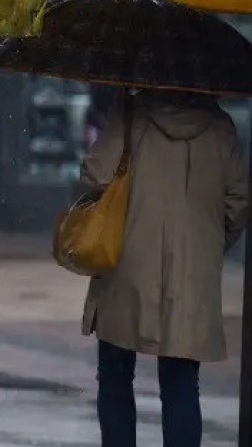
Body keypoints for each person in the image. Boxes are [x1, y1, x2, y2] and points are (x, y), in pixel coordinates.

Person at [79, 88, 248, 447]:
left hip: (126, 263)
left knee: (115, 374)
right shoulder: (220, 127)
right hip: (191, 272)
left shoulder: (131, 115)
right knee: (181, 382)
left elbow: (95, 175)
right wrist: (207, 248)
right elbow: (238, 203)